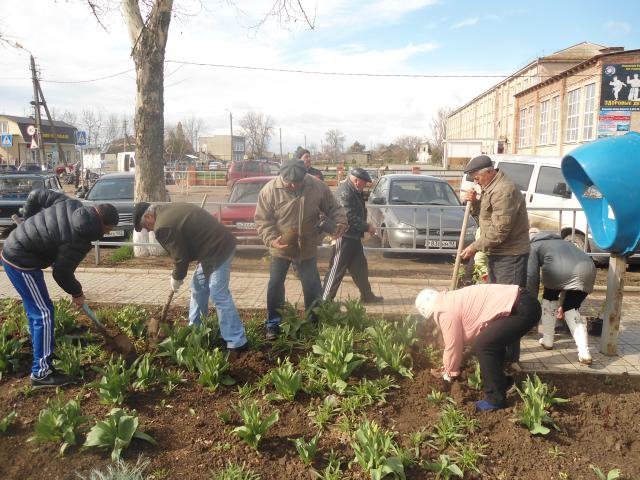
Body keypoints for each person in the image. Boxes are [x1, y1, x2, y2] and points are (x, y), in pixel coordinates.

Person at [1, 189, 119, 388]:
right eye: (108, 230)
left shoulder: (72, 204)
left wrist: (28, 221)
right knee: (43, 314)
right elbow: (61, 273)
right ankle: (41, 373)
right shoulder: (79, 239)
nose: (106, 234)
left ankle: (42, 352)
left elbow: (36, 195)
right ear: (103, 225)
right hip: (21, 262)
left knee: (37, 312)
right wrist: (77, 293)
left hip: (16, 251)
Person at [132, 202, 247, 353]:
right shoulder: (165, 209)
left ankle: (237, 342)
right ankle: (196, 331)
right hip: (210, 249)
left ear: (148, 216)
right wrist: (178, 274)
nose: (149, 230)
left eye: (147, 227)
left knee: (218, 293)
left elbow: (180, 258)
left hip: (219, 249)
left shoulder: (162, 226)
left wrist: (176, 277)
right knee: (198, 287)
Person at [255, 159, 347, 340]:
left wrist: (341, 221)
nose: (293, 185)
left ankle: (314, 322)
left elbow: (334, 207)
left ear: (304, 176)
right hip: (281, 248)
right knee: (275, 285)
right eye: (289, 182)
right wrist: (272, 240)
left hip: (307, 248)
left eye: (297, 181)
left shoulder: (317, 186)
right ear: (282, 176)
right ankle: (273, 324)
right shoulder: (269, 191)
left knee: (311, 286)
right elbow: (262, 220)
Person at [415, 284, 541, 411]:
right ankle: (503, 383)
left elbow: (453, 346)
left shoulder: (444, 311)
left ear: (430, 312)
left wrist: (448, 373)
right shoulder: (449, 300)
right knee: (489, 341)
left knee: (484, 345)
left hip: (522, 307)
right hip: (523, 303)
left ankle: (495, 400)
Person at [459, 155, 530, 367]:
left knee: (510, 308)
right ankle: (499, 349)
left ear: (489, 171)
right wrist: (474, 203)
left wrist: (474, 247)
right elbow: (486, 217)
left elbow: (500, 231)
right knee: (498, 305)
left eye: (476, 176)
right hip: (498, 254)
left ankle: (510, 358)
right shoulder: (492, 188)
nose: (475, 181)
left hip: (511, 256)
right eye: (473, 178)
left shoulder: (503, 191)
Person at [527, 229, 596, 365]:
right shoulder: (562, 242)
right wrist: (563, 305)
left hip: (558, 272)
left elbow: (531, 276)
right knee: (571, 308)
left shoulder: (533, 245)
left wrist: (530, 301)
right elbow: (569, 269)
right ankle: (584, 352)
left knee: (549, 298)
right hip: (588, 269)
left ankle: (548, 340)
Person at [322, 167, 382, 303]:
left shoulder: (354, 190)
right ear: (356, 180)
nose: (365, 185)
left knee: (361, 268)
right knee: (336, 270)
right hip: (344, 237)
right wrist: (367, 227)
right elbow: (348, 216)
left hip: (353, 237)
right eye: (364, 182)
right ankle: (324, 301)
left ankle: (367, 296)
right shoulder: (345, 192)